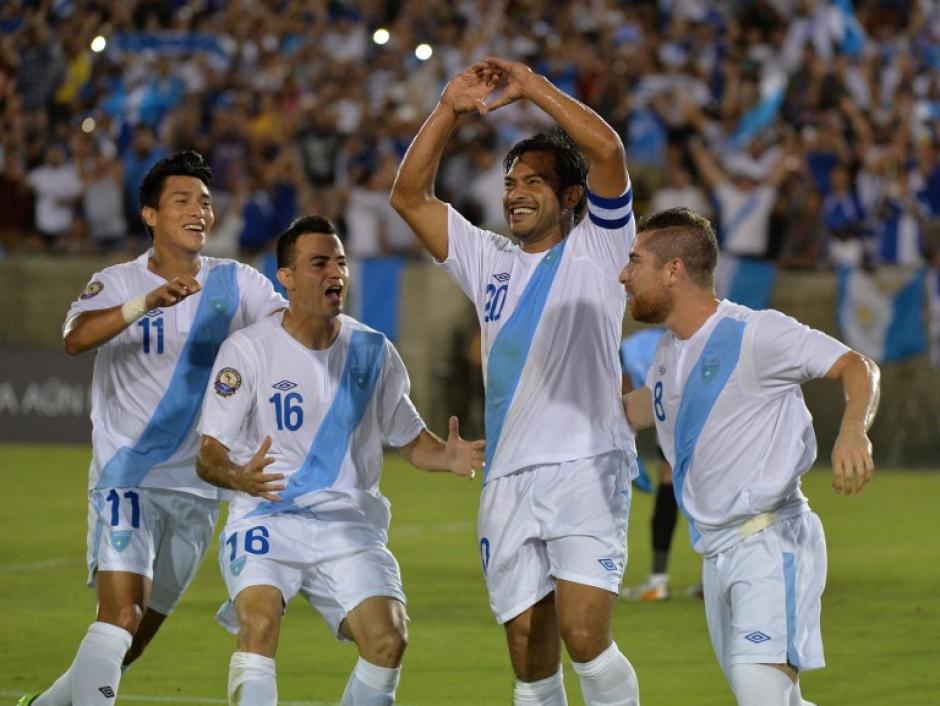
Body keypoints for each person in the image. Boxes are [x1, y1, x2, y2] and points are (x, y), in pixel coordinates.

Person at [390, 58, 641, 706]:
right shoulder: (488, 260)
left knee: (585, 635)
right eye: (510, 182)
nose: (515, 193)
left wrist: (531, 88)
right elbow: (409, 198)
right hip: (508, 477)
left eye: (534, 181)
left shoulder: (601, 248)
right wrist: (447, 109)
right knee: (530, 656)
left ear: (571, 197)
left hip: (586, 464)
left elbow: (607, 150)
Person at [19, 151, 286, 706]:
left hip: (198, 489)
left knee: (131, 643)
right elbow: (75, 337)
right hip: (128, 477)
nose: (199, 211)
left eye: (206, 202)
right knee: (119, 614)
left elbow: (289, 331)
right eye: (183, 200)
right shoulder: (118, 281)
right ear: (150, 215)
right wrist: (145, 302)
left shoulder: (237, 283)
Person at [194, 215, 484, 705]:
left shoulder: (372, 350)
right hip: (267, 515)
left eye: (341, 262)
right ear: (285, 277)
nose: (336, 273)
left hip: (347, 525)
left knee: (388, 640)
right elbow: (209, 455)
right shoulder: (247, 350)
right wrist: (238, 477)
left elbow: (411, 440)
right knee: (259, 622)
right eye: (319, 263)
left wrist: (446, 455)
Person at [619, 207, 880, 706]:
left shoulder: (757, 333)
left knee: (761, 694)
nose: (623, 274)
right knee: (775, 699)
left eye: (635, 260)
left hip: (769, 541)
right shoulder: (669, 352)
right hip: (716, 554)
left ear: (674, 270)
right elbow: (638, 408)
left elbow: (856, 365)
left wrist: (852, 430)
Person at [616, 328, 678, 603]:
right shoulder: (637, 348)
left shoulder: (635, 360)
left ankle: (658, 581)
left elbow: (641, 406)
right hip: (700, 411)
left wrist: (628, 450)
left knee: (671, 482)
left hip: (687, 413)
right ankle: (711, 581)